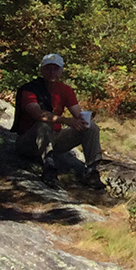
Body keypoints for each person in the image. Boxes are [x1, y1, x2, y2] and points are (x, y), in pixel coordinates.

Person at [14, 53, 104, 189]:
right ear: (42, 70)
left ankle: (91, 171)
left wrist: (83, 120)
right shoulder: (30, 89)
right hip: (29, 141)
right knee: (44, 124)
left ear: (61, 71)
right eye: (48, 68)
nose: (52, 72)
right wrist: (66, 120)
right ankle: (48, 167)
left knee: (91, 127)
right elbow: (38, 114)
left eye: (55, 69)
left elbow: (77, 114)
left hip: (54, 139)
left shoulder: (65, 90)